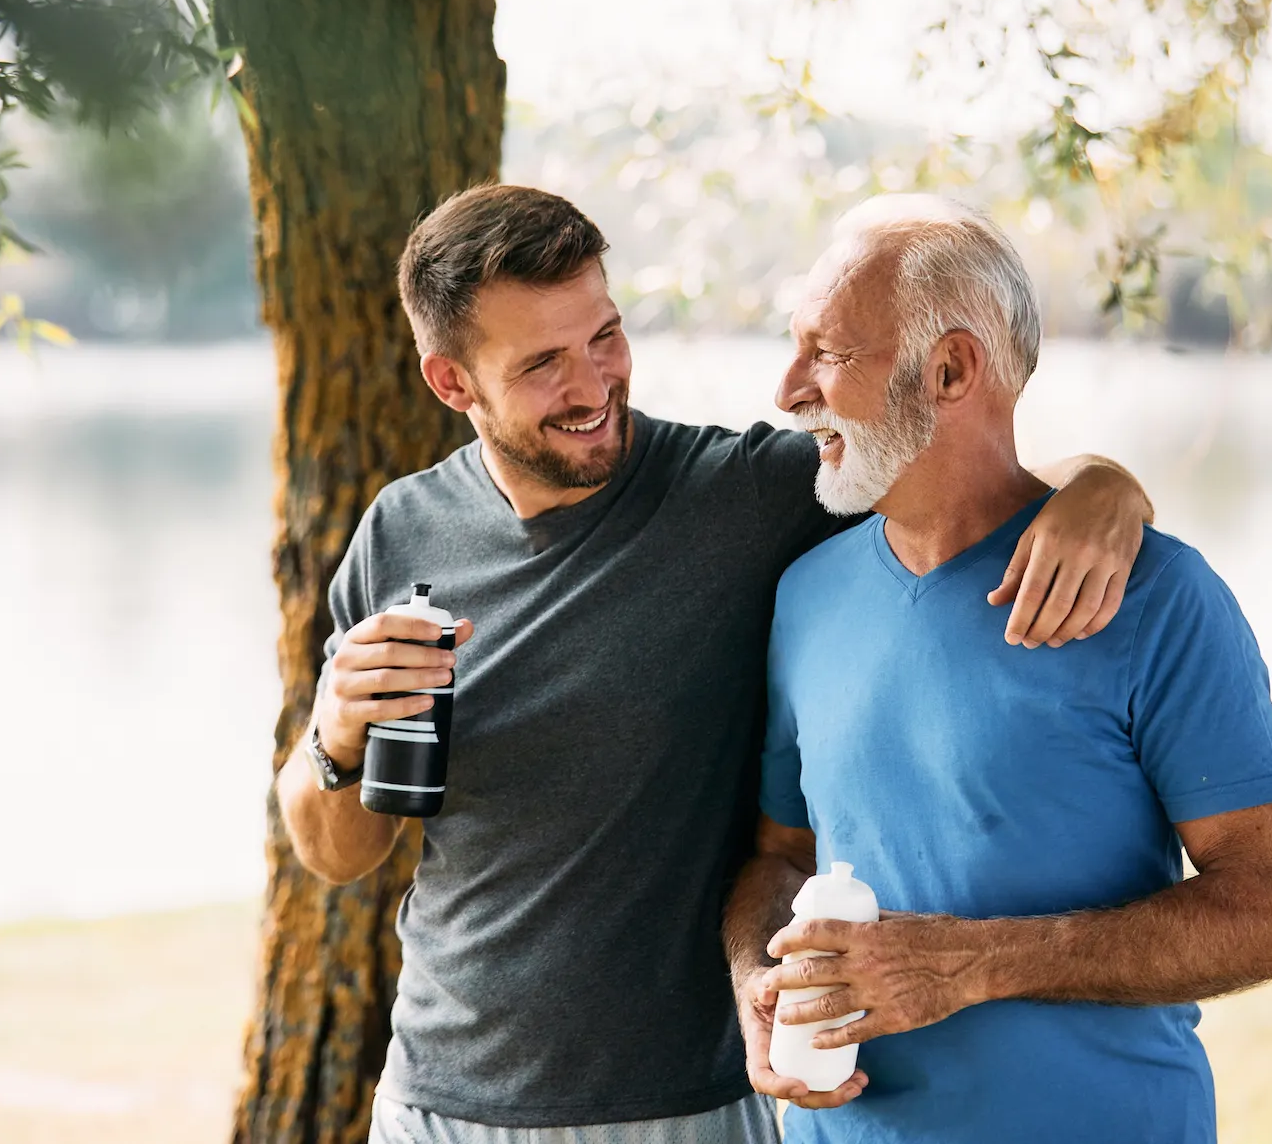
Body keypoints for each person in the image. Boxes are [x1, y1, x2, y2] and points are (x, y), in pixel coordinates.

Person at [282, 184, 1156, 1144]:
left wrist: (1106, 486)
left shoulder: (738, 497)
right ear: (453, 383)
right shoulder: (402, 533)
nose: (593, 383)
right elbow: (339, 853)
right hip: (437, 1106)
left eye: (604, 336)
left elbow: (966, 465)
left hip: (684, 1109)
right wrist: (332, 738)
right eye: (542, 364)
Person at [724, 194, 1272, 1143]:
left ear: (951, 367)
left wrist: (972, 963)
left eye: (829, 353)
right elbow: (782, 856)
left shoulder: (1160, 600)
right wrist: (756, 976)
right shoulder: (806, 593)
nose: (788, 385)